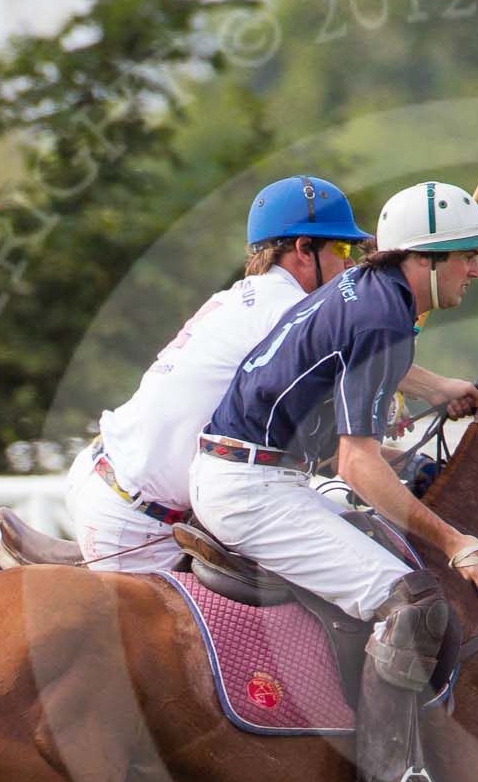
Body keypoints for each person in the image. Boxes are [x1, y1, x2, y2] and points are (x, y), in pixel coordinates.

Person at [190, 180, 478, 782]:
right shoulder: (384, 316)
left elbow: (358, 412)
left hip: (257, 470)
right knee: (412, 600)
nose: (477, 269)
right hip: (250, 485)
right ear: (425, 259)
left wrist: (432, 394)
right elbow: (357, 465)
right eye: (467, 255)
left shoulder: (369, 291)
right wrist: (454, 540)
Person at [64, 176, 372, 572]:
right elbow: (367, 358)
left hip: (108, 479)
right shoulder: (288, 308)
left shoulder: (243, 296)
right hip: (136, 521)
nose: (349, 264)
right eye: (343, 248)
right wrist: (441, 389)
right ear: (302, 249)